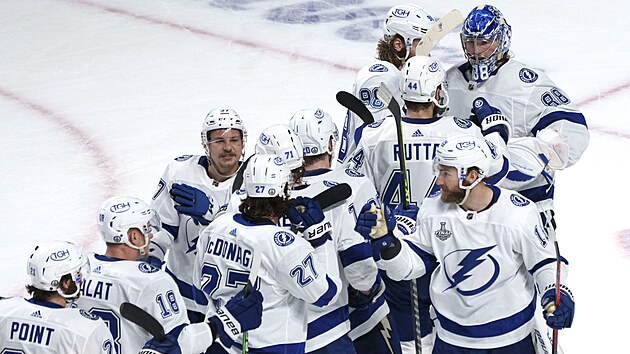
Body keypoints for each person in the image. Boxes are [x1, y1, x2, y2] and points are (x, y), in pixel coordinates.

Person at [346, 54, 509, 353]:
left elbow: (352, 191)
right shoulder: (464, 132)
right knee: (458, 331)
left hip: (393, 246)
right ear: (437, 92)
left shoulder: (371, 135)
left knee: (409, 337)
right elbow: (497, 166)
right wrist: (495, 125)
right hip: (451, 245)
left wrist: (388, 216)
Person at [357, 135, 575, 353]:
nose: (439, 181)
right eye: (439, 171)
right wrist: (386, 241)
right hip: (452, 341)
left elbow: (546, 261)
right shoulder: (432, 210)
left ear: (471, 176)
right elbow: (408, 267)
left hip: (511, 341)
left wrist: (555, 291)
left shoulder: (517, 214)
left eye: (446, 173)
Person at [445, 5, 590, 236]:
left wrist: (525, 157)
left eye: (484, 42)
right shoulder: (450, 79)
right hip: (465, 207)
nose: (475, 51)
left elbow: (572, 132)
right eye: (470, 43)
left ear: (502, 40)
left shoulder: (526, 83)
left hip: (524, 205)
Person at [75, 196, 263, 354]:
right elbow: (181, 342)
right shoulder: (152, 281)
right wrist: (223, 323)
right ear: (133, 236)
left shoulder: (80, 270)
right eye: (146, 229)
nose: (150, 236)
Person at [194, 154, 341, 354]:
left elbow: (199, 295)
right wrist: (320, 238)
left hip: (221, 346)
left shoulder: (216, 226)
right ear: (285, 190)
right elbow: (326, 295)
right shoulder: (284, 245)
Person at [289, 108, 400, 354]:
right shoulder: (355, 184)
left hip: (309, 327)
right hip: (364, 318)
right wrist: (368, 291)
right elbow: (366, 262)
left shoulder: (278, 196)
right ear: (330, 143)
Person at [149, 108, 248, 322]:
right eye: (219, 141)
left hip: (231, 301)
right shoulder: (180, 172)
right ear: (206, 144)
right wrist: (151, 262)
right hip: (181, 295)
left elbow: (252, 240)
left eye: (234, 140)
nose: (228, 148)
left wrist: (212, 216)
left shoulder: (255, 180)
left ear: (243, 142)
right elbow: (162, 228)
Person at [338, 3, 435, 165]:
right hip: (367, 179)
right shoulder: (381, 77)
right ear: (399, 45)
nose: (429, 53)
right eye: (423, 44)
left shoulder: (405, 76)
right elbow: (371, 141)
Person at [0, 241, 115, 353]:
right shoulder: (86, 329)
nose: (81, 279)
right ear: (66, 283)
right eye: (78, 274)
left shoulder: (4, 311)